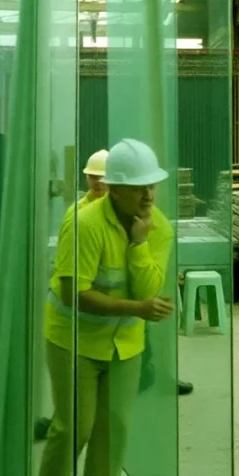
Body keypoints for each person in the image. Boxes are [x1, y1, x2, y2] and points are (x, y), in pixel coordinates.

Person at [33, 147, 191, 442]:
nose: (148, 195)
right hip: (74, 340)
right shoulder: (84, 221)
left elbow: (147, 291)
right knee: (72, 432)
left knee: (112, 434)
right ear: (115, 189)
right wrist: (137, 308)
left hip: (124, 347)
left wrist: (139, 244)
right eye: (138, 187)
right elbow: (72, 294)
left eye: (151, 186)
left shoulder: (159, 229)